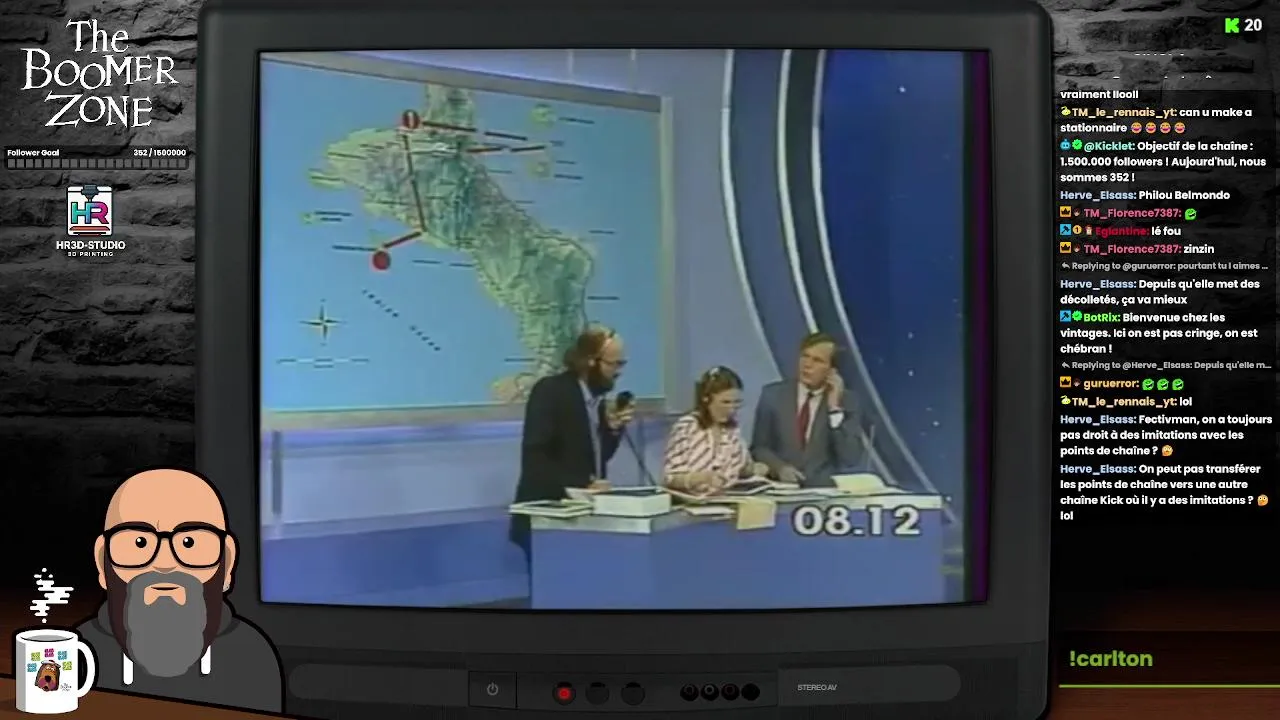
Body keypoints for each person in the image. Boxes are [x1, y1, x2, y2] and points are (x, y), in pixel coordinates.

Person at [75, 468, 283, 712]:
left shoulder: (250, 657)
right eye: (139, 542)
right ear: (103, 562)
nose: (164, 563)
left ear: (227, 562)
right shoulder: (77, 653)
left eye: (189, 542)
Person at [509, 325, 635, 554]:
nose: (618, 372)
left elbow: (596, 459)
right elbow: (535, 458)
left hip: (582, 520)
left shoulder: (596, 401)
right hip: (548, 518)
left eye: (621, 364)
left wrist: (613, 429)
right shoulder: (550, 391)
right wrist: (582, 486)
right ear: (591, 361)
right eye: (614, 364)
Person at [750, 331, 864, 487]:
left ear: (832, 371)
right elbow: (759, 448)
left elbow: (851, 457)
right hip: (781, 488)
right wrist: (780, 468)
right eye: (805, 356)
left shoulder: (848, 401)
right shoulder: (772, 395)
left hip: (824, 491)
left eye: (817, 360)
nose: (807, 365)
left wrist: (834, 409)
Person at [662, 366, 770, 494]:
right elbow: (671, 478)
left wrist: (758, 469)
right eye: (725, 402)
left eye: (736, 403)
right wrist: (700, 478)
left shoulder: (732, 430)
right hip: (692, 501)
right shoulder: (686, 427)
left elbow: (742, 469)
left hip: (728, 498)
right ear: (706, 399)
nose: (732, 409)